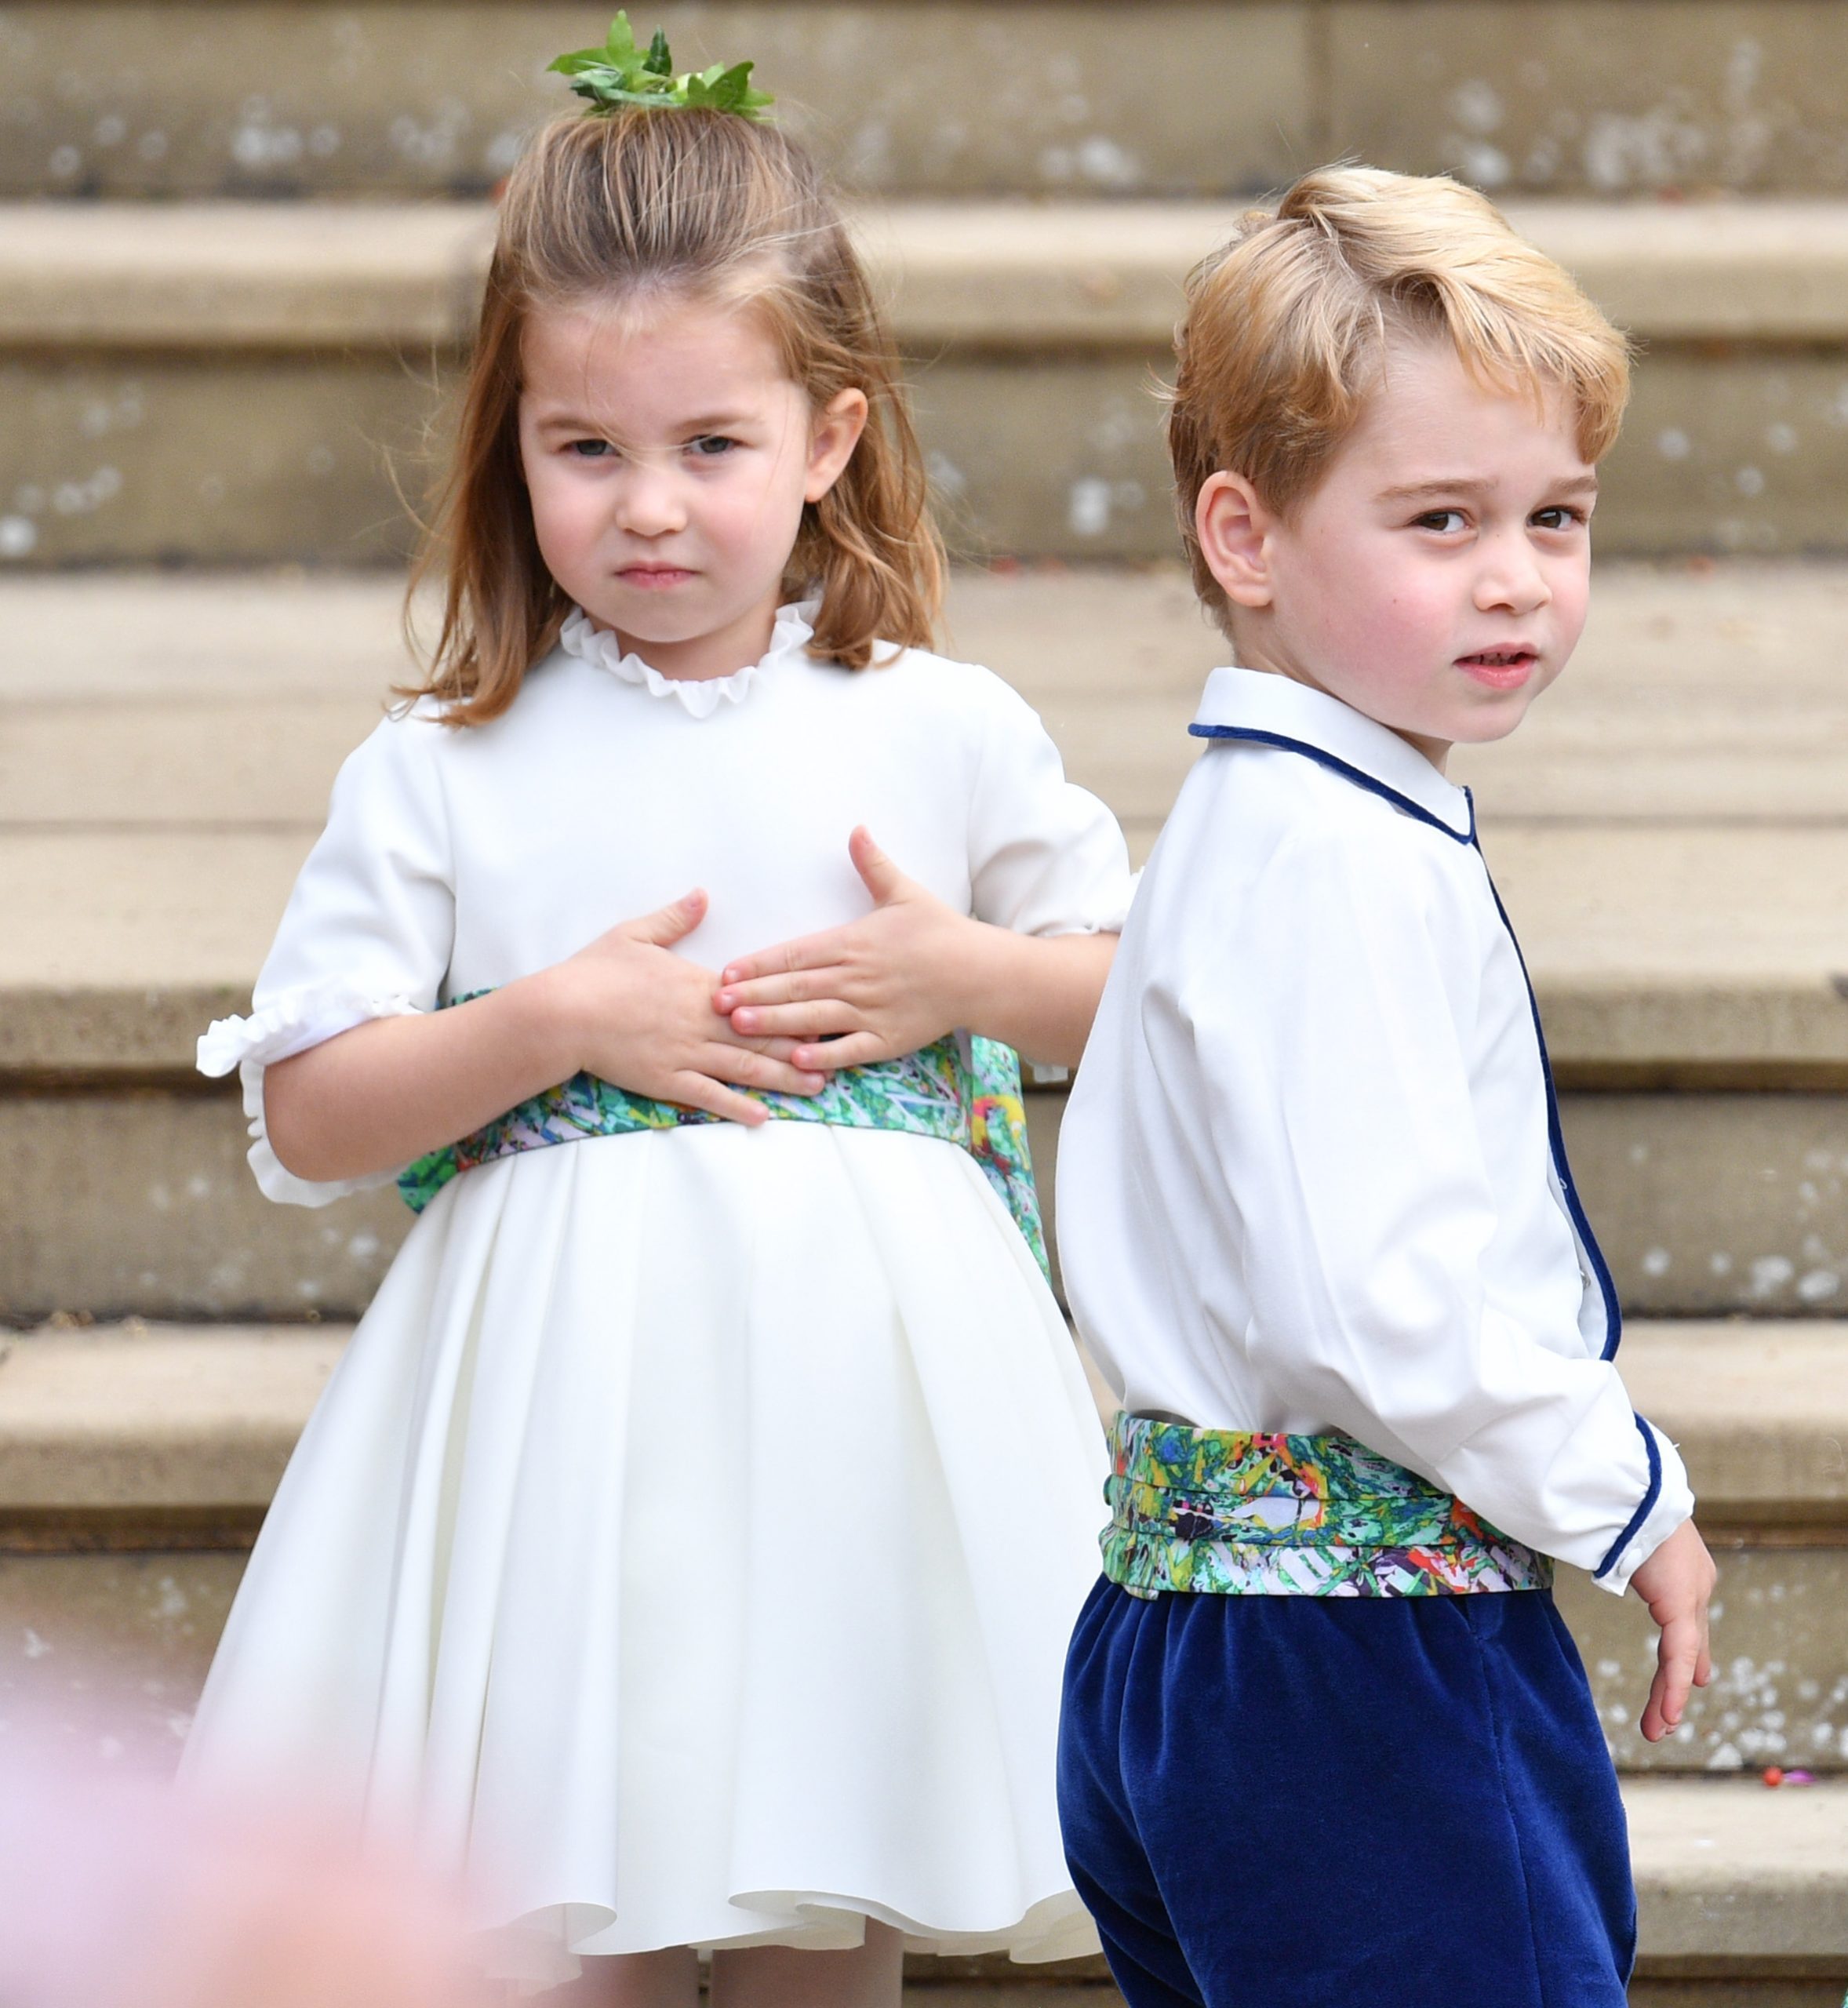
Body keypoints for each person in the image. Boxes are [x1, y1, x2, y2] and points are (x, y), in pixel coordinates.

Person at [185, 21, 1131, 2002]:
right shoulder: (451, 760)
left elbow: (1155, 1003)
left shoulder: (934, 725)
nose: (647, 509)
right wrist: (545, 1017)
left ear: (830, 439)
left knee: (822, 1914)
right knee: (565, 1914)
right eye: (584, 449)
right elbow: (314, 1110)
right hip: (561, 1446)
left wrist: (961, 977)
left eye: (711, 447)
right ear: (507, 438)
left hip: (858, 1432)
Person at [1053, 166, 1716, 2008]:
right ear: (1244, 538)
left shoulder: (1244, 822)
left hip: (1170, 1648)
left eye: (1553, 516)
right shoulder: (1340, 859)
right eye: (1438, 518)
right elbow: (1383, 1292)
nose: (1512, 573)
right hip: (1360, 1674)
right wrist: (1623, 1492)